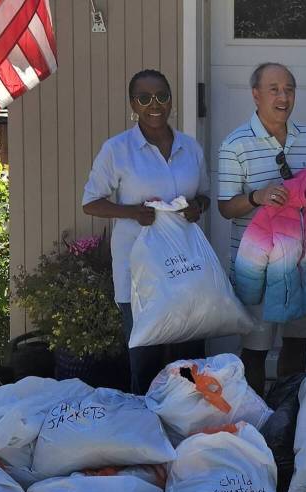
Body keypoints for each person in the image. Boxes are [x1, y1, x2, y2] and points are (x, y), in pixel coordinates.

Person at [82, 69, 211, 394]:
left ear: (171, 101)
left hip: (185, 267)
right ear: (133, 105)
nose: (155, 104)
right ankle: (149, 432)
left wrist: (198, 207)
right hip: (140, 272)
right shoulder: (117, 150)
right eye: (144, 98)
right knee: (146, 359)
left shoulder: (190, 148)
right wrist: (132, 213)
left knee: (189, 358)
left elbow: (205, 194)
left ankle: (188, 425)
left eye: (162, 96)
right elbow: (91, 202)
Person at [217, 63, 306, 395]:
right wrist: (258, 197)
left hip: (302, 263)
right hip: (257, 267)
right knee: (255, 349)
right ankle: (254, 424)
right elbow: (225, 207)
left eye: (289, 89)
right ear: (255, 94)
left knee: (296, 345)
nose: (283, 97)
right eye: (274, 89)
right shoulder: (234, 144)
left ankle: (286, 416)